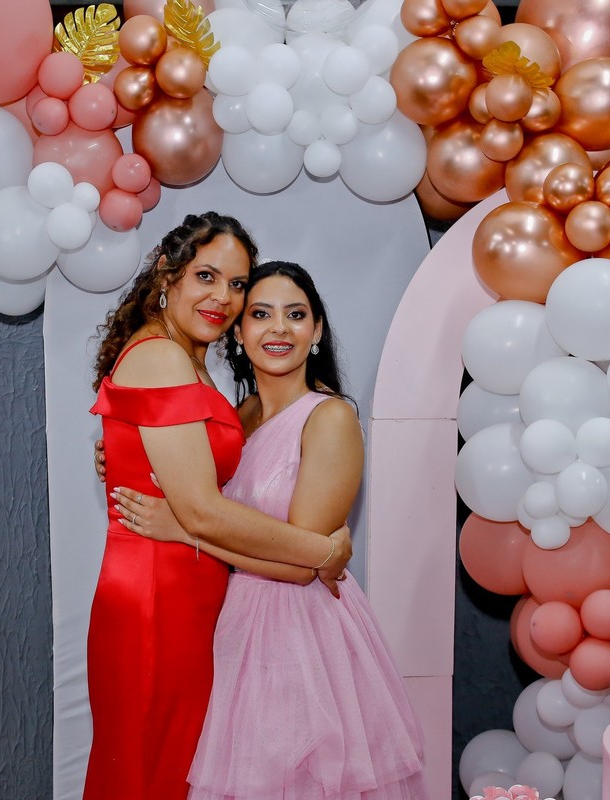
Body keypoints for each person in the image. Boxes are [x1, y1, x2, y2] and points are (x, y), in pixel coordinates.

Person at [112, 261, 426, 799]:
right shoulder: (238, 418)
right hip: (233, 625)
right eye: (260, 314)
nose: (278, 328)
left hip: (302, 634)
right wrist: (117, 453)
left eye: (295, 315)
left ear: (317, 330)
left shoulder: (329, 418)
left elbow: (303, 568)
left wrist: (187, 532)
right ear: (238, 332)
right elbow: (186, 469)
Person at [84, 215, 353, 800]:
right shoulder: (163, 356)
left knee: (173, 769)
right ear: (168, 272)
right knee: (150, 774)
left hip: (194, 598)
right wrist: (323, 550)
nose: (222, 298)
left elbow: (194, 482)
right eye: (206, 276)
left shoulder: (188, 359)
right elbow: (203, 511)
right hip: (157, 598)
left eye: (236, 285)